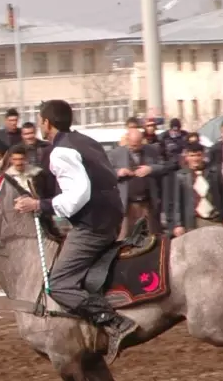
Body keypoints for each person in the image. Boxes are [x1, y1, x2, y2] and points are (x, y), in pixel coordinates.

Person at [12, 99, 136, 361]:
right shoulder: (86, 141)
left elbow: (77, 196)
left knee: (57, 284)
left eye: (40, 119)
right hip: (111, 216)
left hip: (93, 225)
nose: (40, 125)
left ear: (46, 123)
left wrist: (39, 204)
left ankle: (115, 322)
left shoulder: (60, 152)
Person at [109, 118, 174, 237]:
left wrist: (150, 169)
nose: (136, 148)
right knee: (124, 238)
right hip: (128, 206)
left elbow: (163, 167)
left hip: (147, 204)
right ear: (127, 141)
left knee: (151, 238)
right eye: (133, 145)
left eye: (138, 145)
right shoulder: (116, 154)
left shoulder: (152, 150)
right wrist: (118, 172)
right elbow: (106, 173)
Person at [170, 144, 223, 235]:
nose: (195, 159)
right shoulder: (180, 175)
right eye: (192, 155)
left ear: (203, 156)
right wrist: (178, 224)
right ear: (186, 157)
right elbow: (177, 202)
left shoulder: (214, 172)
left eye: (198, 155)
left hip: (215, 219)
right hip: (193, 221)